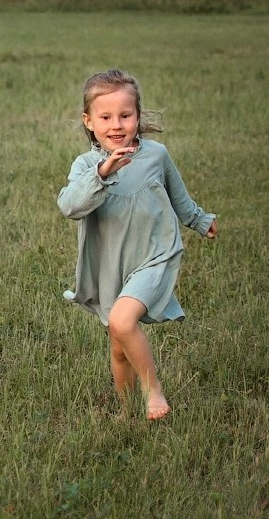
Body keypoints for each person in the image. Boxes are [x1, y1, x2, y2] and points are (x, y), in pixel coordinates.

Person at [57, 69, 217, 420]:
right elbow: (69, 206)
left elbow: (179, 197)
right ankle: (127, 414)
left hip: (155, 256)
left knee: (122, 320)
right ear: (89, 122)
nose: (117, 125)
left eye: (125, 115)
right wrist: (102, 172)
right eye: (106, 117)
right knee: (118, 347)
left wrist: (200, 220)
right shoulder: (86, 166)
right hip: (111, 266)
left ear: (138, 117)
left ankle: (152, 391)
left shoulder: (156, 155)